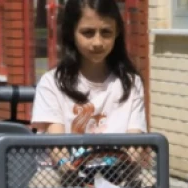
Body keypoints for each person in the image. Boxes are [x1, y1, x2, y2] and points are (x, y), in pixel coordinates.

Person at [31, 0, 146, 135]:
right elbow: (57, 149)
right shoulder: (51, 84)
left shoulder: (132, 84)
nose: (98, 42)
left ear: (117, 33)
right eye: (88, 33)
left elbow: (135, 148)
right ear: (71, 33)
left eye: (106, 32)